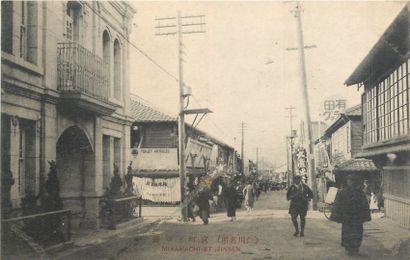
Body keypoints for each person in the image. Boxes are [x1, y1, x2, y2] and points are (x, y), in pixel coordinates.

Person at [330, 174, 371, 256]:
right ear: (347, 181)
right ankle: (349, 248)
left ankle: (355, 249)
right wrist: (337, 216)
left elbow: (365, 205)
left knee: (358, 233)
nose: (351, 182)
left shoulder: (360, 193)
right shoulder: (342, 192)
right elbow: (337, 205)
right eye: (350, 180)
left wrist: (365, 216)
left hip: (357, 218)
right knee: (347, 233)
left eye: (353, 180)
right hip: (347, 217)